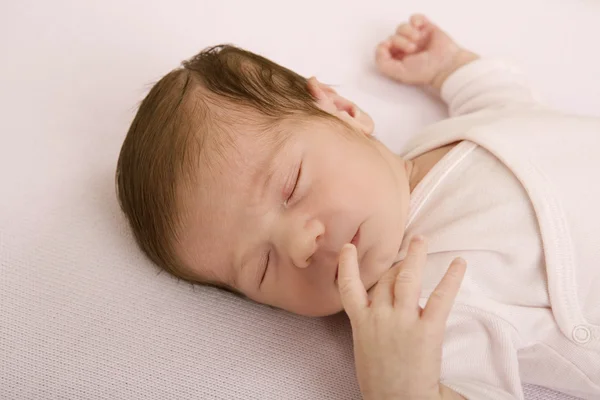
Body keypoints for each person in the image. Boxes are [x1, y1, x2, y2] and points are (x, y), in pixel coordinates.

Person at [115, 14, 600, 400]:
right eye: (262, 267)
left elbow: (506, 102)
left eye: (291, 186)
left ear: (343, 111)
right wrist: (403, 388)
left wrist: (450, 66)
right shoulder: (419, 306)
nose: (300, 244)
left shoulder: (448, 138)